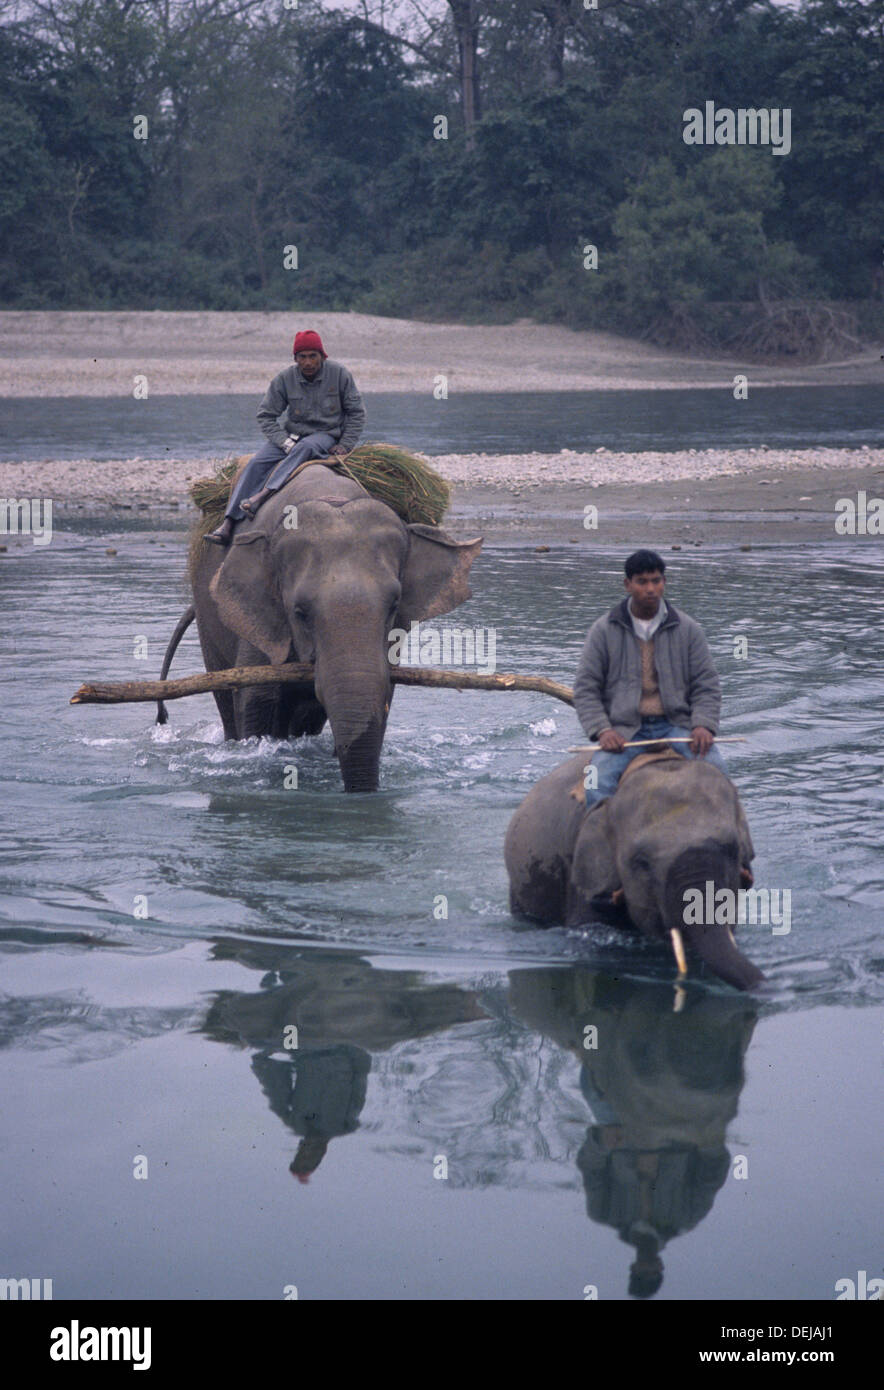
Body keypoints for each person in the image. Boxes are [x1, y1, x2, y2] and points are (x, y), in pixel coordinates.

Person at [573, 549, 728, 811]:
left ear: (664, 583)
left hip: (677, 726)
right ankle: (599, 844)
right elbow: (586, 689)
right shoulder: (603, 630)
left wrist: (703, 725)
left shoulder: (688, 629)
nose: (650, 589)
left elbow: (707, 685)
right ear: (627, 584)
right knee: (596, 784)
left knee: (719, 774)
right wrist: (604, 730)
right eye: (642, 582)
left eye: (656, 581)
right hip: (627, 730)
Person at [206, 329, 366, 545]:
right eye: (303, 357)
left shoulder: (339, 374)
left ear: (322, 356)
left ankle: (262, 495)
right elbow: (265, 416)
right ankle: (228, 523)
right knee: (255, 463)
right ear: (295, 358)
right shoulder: (284, 379)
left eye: (313, 356)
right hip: (291, 435)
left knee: (306, 447)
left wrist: (346, 444)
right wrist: (283, 440)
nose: (308, 362)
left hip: (325, 435)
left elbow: (356, 412)